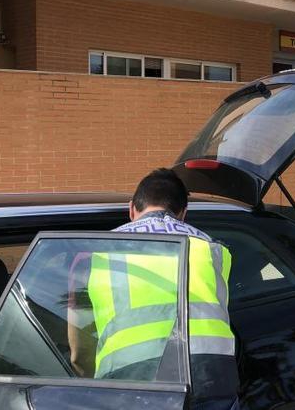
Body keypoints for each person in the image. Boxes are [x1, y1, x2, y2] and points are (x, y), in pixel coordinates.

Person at [67, 168, 238, 410]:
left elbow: (79, 351)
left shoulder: (94, 253)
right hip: (212, 374)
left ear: (131, 209)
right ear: (183, 214)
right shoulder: (214, 251)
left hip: (131, 378)